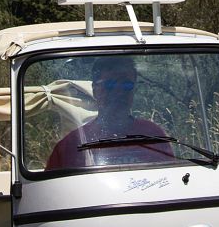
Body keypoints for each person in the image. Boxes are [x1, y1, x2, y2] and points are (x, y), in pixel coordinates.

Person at [45, 57, 174, 170]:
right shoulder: (71, 145)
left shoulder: (153, 135)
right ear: (95, 90)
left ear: (134, 90)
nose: (119, 92)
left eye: (126, 85)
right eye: (110, 85)